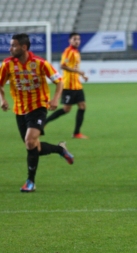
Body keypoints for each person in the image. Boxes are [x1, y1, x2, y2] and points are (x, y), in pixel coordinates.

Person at [0, 33, 74, 192]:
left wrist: (55, 99)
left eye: (13, 45)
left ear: (23, 47)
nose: (10, 48)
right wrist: (2, 100)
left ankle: (30, 182)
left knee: (29, 141)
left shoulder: (40, 63)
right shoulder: (7, 64)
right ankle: (61, 149)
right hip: (19, 109)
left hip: (38, 106)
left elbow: (59, 81)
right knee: (33, 147)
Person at [45, 32, 89, 139]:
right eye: (74, 39)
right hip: (68, 85)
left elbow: (74, 67)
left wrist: (81, 74)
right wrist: (78, 72)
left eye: (78, 39)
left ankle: (76, 133)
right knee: (66, 109)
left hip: (77, 85)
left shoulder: (76, 52)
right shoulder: (68, 52)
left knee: (82, 106)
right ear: (70, 40)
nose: (77, 41)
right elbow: (63, 65)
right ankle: (44, 122)